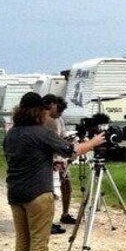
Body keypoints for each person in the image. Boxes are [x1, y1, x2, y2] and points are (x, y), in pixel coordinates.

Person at [4, 92, 105, 251]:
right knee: (39, 239)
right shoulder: (41, 133)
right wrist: (93, 143)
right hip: (38, 192)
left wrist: (49, 161)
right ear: (39, 111)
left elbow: (28, 158)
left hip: (15, 192)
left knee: (23, 239)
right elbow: (72, 151)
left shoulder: (12, 134)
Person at [42, 94, 75, 234]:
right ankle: (48, 221)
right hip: (53, 160)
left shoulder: (58, 120)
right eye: (58, 109)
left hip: (61, 157)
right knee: (51, 190)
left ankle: (65, 214)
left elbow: (60, 138)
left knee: (67, 185)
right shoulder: (46, 121)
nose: (59, 113)